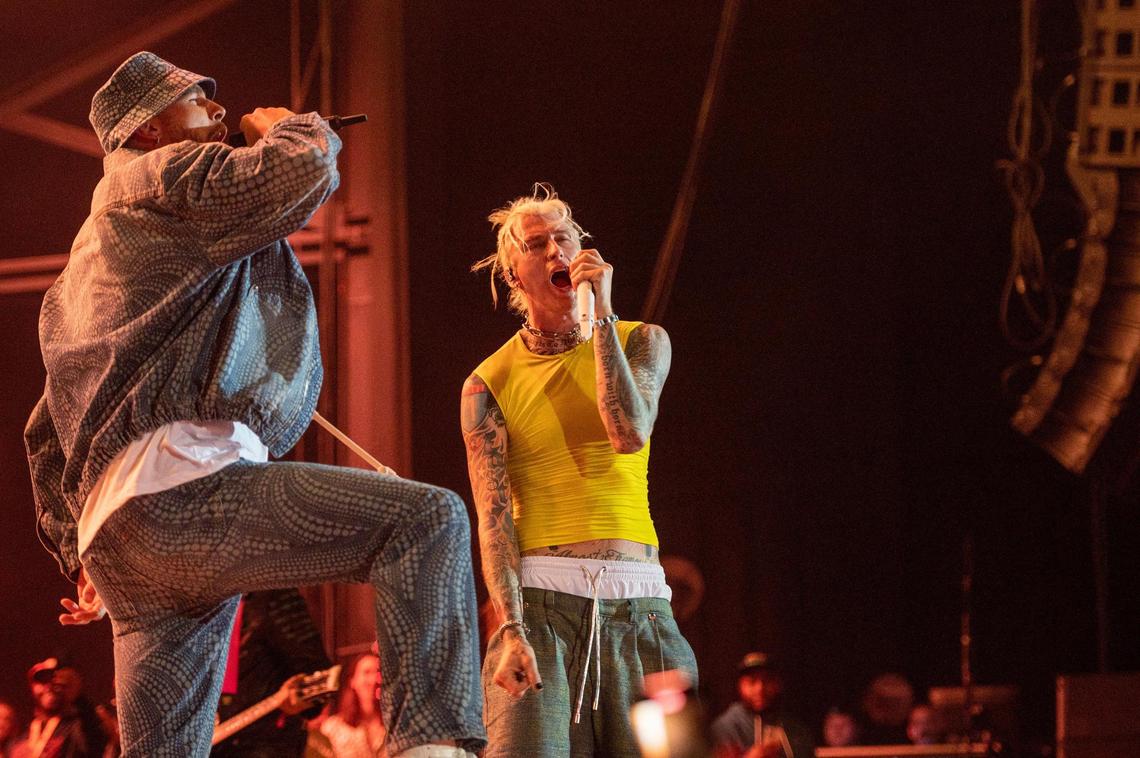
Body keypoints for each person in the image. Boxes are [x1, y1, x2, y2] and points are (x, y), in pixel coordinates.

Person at [24, 51, 484, 758]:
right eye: (195, 100)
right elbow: (299, 171)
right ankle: (432, 749)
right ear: (145, 130)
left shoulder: (77, 275)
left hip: (121, 542)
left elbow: (45, 430)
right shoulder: (167, 175)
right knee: (427, 522)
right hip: (187, 492)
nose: (218, 109)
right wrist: (290, 128)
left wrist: (74, 551)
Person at [461, 184, 697, 756]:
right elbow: (492, 519)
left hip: (641, 609)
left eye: (563, 238)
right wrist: (510, 626)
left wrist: (602, 316)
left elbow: (628, 431)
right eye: (536, 243)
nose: (555, 250)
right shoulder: (487, 383)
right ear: (513, 275)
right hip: (542, 606)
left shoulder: (642, 341)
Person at [211, 589, 333, 757]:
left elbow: (316, 669)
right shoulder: (199, 609)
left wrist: (299, 700)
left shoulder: (273, 597)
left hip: (262, 746)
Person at [710, 652, 814, 758]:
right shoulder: (725, 728)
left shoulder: (795, 729)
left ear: (778, 684)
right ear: (740, 686)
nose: (760, 689)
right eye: (752, 682)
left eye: (766, 680)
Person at [10, 659, 91, 758]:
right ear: (32, 687)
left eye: (55, 681)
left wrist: (78, 697)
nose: (49, 687)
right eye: (42, 680)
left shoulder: (77, 727)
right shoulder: (21, 734)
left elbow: (93, 742)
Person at [318, 653, 388, 758]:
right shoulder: (333, 729)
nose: (373, 680)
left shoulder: (395, 727)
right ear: (353, 681)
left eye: (378, 673)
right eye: (367, 672)